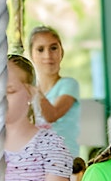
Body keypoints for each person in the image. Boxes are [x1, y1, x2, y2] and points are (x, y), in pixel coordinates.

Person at [29, 25, 81, 157]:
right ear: (31, 55)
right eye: (40, 50)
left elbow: (52, 115)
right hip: (37, 159)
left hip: (64, 159)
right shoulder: (29, 92)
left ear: (61, 52)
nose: (48, 55)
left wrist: (31, 88)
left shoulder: (69, 85)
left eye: (53, 48)